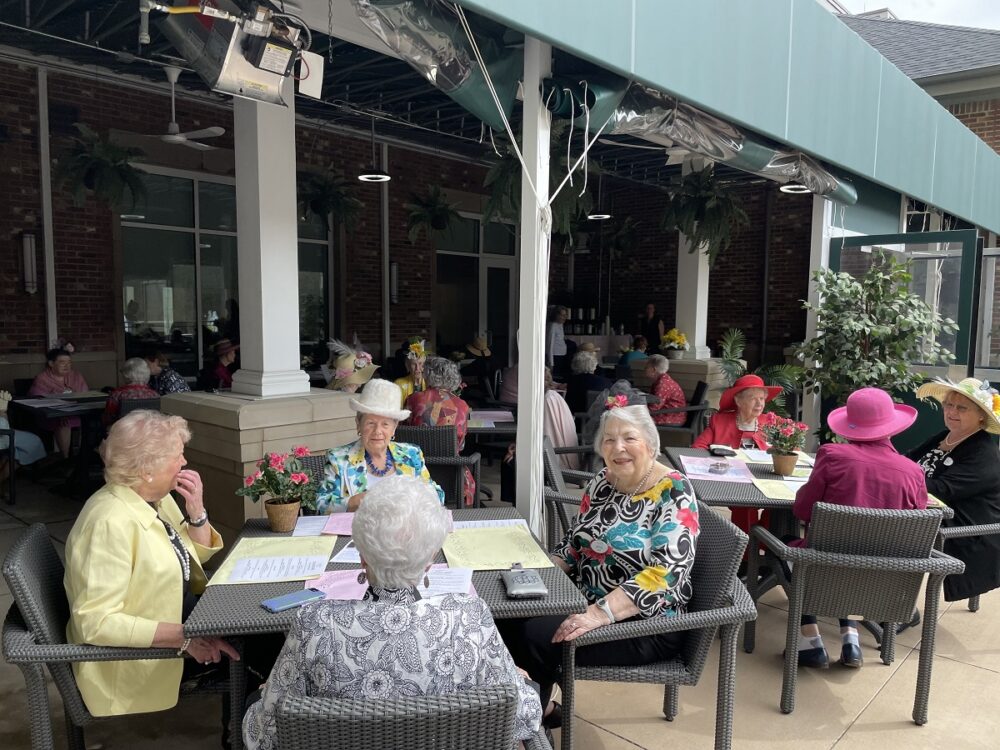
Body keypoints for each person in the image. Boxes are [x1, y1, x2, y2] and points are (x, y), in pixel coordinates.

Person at [243, 475, 542, 750]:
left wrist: (265, 695)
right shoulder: (468, 617)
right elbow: (525, 717)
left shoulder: (315, 624)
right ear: (429, 562)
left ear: (361, 556)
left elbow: (262, 735)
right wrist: (521, 683)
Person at [499, 400, 698, 729]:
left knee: (536, 636)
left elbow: (665, 574)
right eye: (609, 439)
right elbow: (574, 542)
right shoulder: (603, 481)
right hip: (582, 598)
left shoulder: (673, 491)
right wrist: (538, 575)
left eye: (629, 438)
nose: (618, 447)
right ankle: (533, 707)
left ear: (650, 442)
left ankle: (526, 721)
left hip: (646, 623)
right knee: (507, 615)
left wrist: (598, 613)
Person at [63, 411, 238, 716]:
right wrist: (185, 639)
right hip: (142, 660)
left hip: (185, 621)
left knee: (269, 634)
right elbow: (96, 623)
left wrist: (196, 512)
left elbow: (193, 560)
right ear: (146, 469)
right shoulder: (109, 522)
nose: (184, 463)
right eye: (177, 456)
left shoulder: (153, 498)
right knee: (264, 651)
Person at [791, 387, 924, 669]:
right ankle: (850, 638)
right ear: (892, 427)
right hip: (883, 578)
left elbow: (802, 510)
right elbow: (915, 527)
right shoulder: (913, 473)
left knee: (796, 546)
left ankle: (810, 640)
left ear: (849, 425)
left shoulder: (832, 456)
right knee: (852, 553)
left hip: (825, 568)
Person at [908, 377, 1000, 603]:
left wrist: (898, 481)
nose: (951, 411)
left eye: (961, 407)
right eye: (948, 405)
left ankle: (900, 608)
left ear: (981, 415)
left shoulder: (984, 454)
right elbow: (909, 459)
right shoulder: (946, 436)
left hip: (967, 528)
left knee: (898, 529)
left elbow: (942, 490)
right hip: (933, 510)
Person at [316, 379, 444, 513]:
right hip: (358, 531)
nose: (377, 431)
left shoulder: (411, 454)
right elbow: (322, 505)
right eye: (370, 423)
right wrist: (358, 501)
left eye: (385, 424)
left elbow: (438, 495)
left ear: (394, 428)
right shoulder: (339, 459)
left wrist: (411, 498)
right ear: (358, 424)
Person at [692, 374, 782, 536]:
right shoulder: (720, 421)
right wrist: (718, 460)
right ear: (738, 401)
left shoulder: (771, 422)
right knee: (745, 506)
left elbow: (793, 444)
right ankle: (746, 554)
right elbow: (697, 448)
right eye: (753, 398)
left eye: (762, 398)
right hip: (733, 480)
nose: (759, 403)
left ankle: (767, 547)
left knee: (780, 506)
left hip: (766, 477)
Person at [404, 356, 475, 505]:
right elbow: (460, 446)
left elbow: (403, 433)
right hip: (452, 473)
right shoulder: (462, 405)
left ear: (428, 375)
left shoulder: (414, 399)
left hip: (415, 470)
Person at [29, 347, 90, 457]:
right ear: (51, 363)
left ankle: (84, 457)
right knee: (63, 422)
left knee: (92, 419)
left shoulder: (76, 376)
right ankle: (65, 459)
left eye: (69, 362)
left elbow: (85, 393)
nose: (67, 366)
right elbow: (36, 397)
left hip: (76, 411)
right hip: (52, 414)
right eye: (62, 362)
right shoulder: (42, 378)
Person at [0, 389, 49, 485]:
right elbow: (4, 430)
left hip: (4, 434)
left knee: (15, 450)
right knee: (32, 442)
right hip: (3, 435)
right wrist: (3, 411)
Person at [103, 358, 160, 426]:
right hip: (149, 433)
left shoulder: (117, 394)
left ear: (126, 375)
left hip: (123, 433)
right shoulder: (155, 395)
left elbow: (108, 419)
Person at [565, 347, 612, 414]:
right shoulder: (606, 382)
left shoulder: (573, 382)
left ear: (574, 365)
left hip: (579, 422)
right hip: (601, 421)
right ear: (594, 366)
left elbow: (570, 407)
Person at [645, 354, 686, 426]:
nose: (644, 369)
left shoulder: (662, 384)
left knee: (638, 421)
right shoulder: (662, 379)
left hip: (671, 417)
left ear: (653, 370)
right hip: (668, 413)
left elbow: (654, 407)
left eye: (647, 367)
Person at [394, 338, 427, 407]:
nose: (417, 368)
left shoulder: (430, 383)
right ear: (407, 365)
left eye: (420, 363)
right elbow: (396, 410)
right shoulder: (399, 384)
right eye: (413, 364)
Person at [545, 306, 569, 375]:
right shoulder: (552, 325)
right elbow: (549, 344)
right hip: (555, 357)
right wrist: (551, 363)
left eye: (565, 315)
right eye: (562, 315)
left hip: (561, 355)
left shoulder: (560, 325)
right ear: (556, 315)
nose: (564, 317)